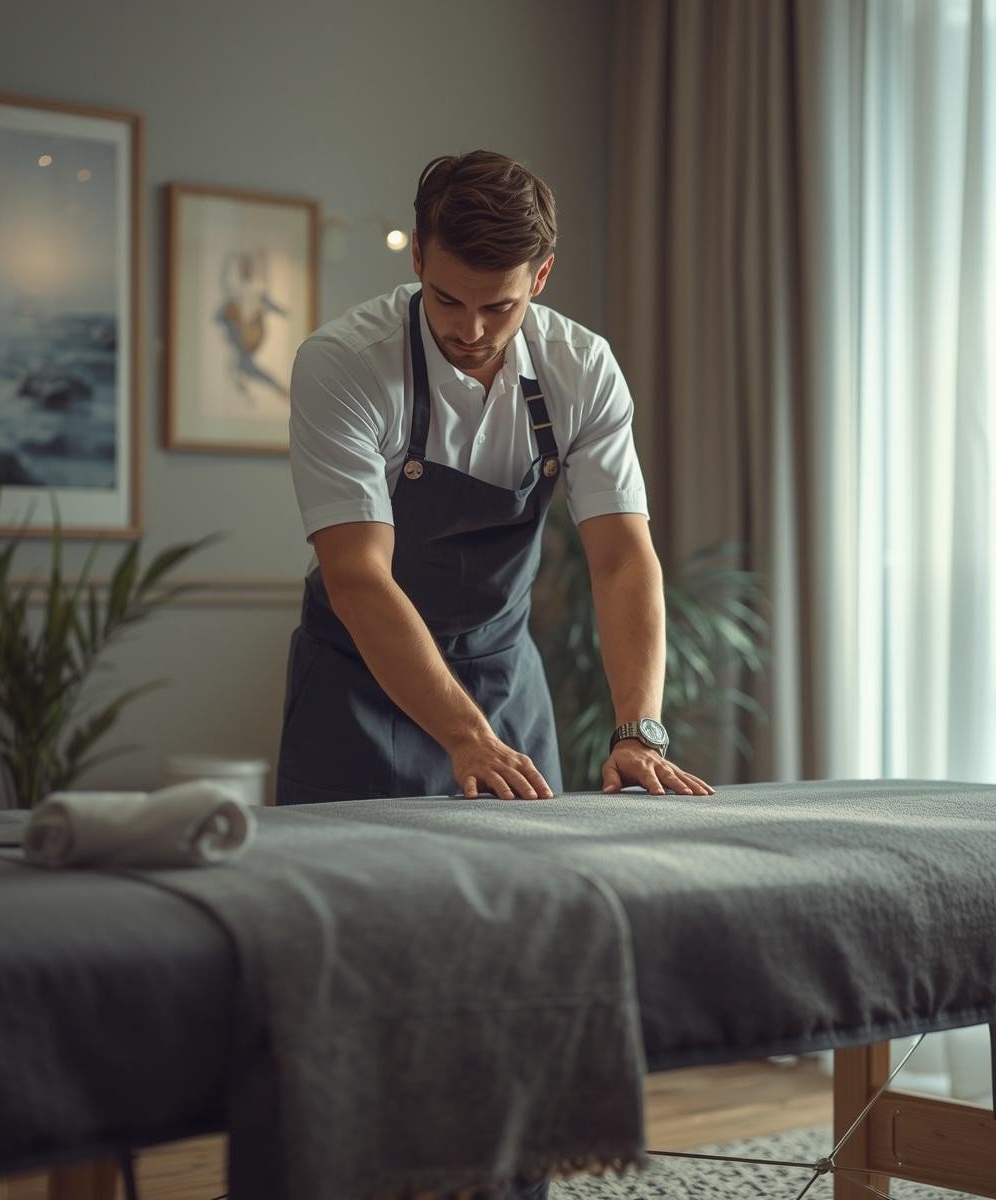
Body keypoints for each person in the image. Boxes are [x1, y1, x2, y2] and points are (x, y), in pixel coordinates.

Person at [276, 147, 712, 1198]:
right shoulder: (345, 361)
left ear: (544, 276)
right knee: (354, 973)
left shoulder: (580, 367)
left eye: (500, 307)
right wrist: (460, 734)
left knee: (517, 965)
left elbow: (620, 556)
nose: (471, 328)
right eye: (449, 299)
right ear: (417, 254)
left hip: (504, 674)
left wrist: (638, 728)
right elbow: (360, 578)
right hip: (358, 682)